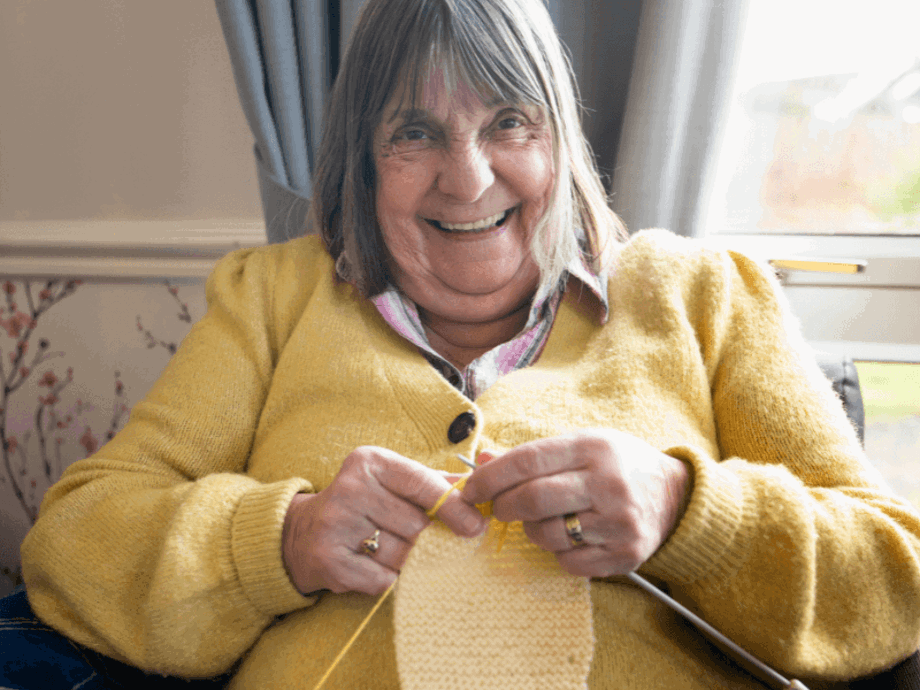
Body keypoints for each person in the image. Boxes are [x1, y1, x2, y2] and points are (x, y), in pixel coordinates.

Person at [6, 0, 920, 687]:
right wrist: (283, 539)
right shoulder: (273, 298)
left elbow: (893, 583)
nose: (468, 176)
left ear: (560, 139)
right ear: (363, 163)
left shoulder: (703, 296)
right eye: (415, 132)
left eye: (508, 121)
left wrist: (687, 511)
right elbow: (75, 546)